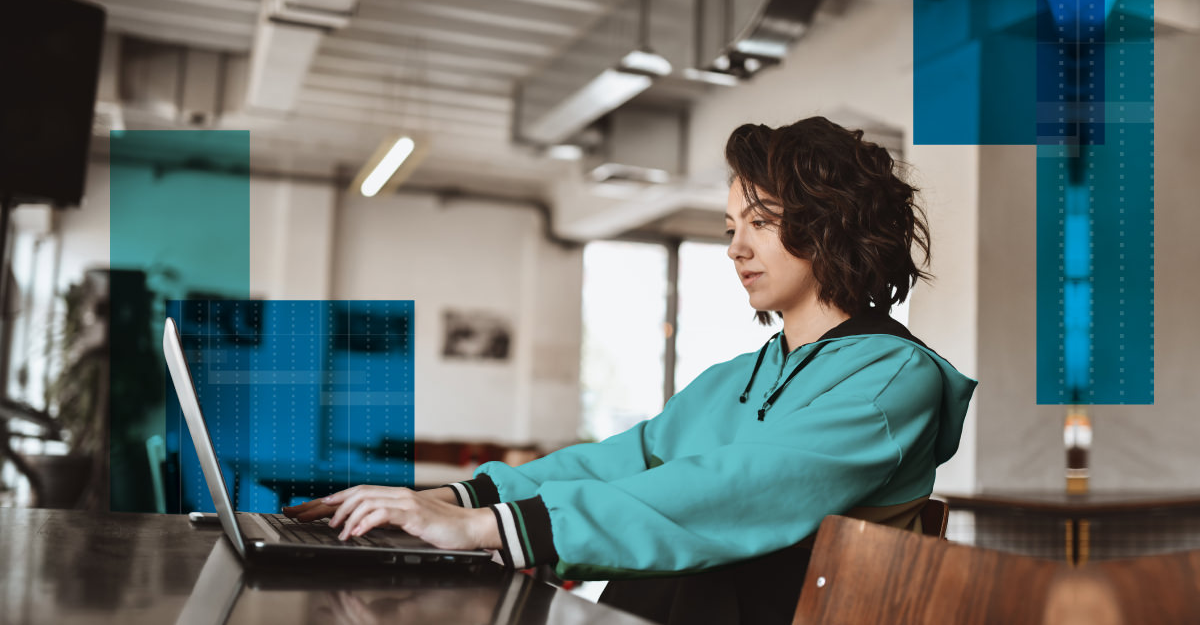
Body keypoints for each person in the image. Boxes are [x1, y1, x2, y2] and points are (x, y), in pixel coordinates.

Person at [283, 117, 977, 625]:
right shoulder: (742, 374)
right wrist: (457, 501)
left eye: (760, 221)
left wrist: (492, 528)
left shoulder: (892, 378)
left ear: (833, 226)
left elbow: (735, 491)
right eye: (730, 226)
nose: (736, 247)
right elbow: (625, 460)